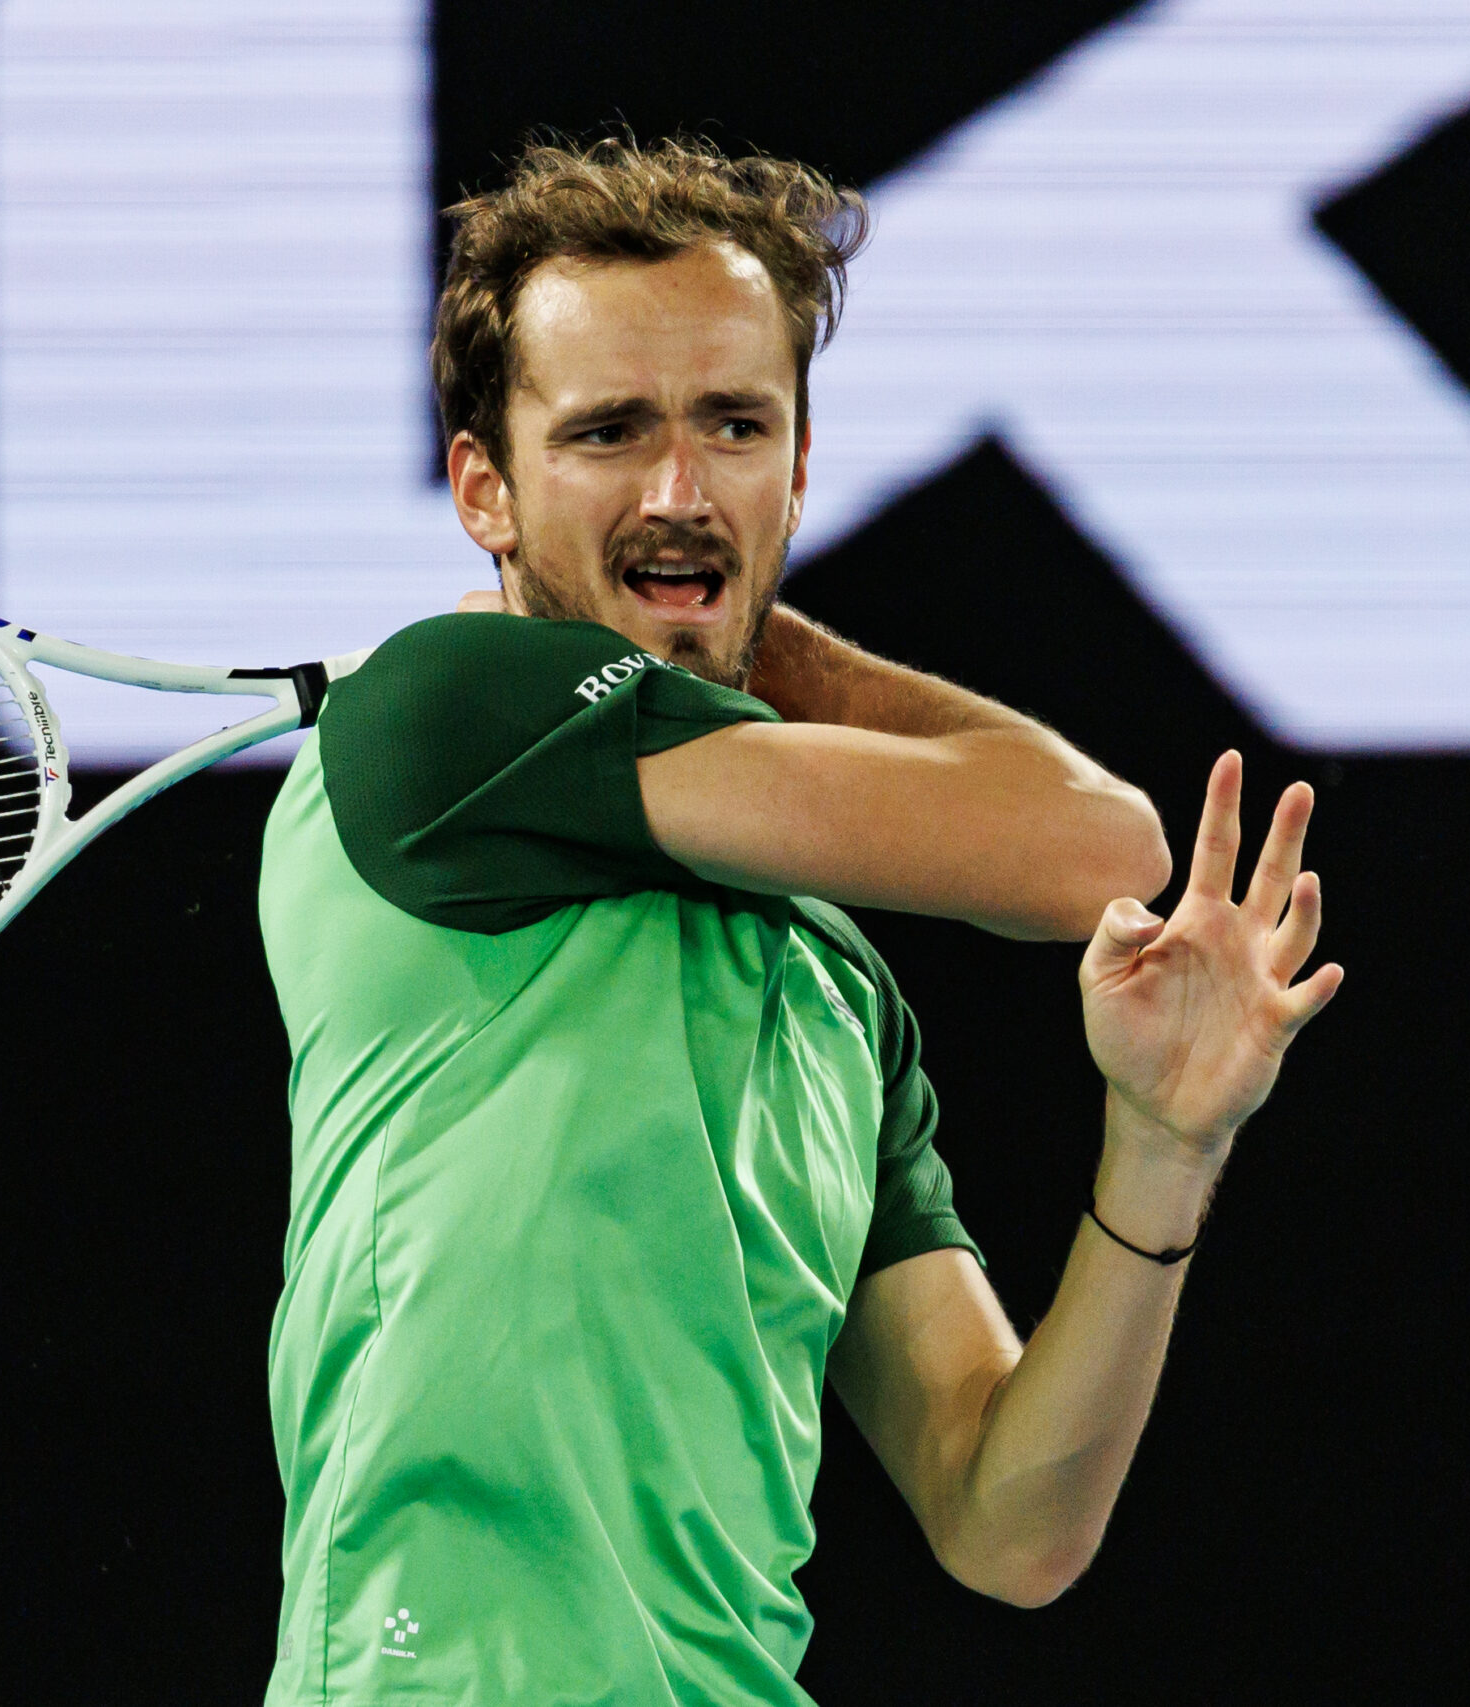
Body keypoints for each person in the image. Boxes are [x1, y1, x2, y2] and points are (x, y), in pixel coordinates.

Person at [256, 136, 1342, 1705]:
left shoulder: (831, 988)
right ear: (483, 489)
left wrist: (1163, 1145)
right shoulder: (443, 713)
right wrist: (750, 628)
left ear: (801, 471)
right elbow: (1090, 845)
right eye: (611, 433)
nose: (681, 491)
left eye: (735, 429)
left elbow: (1006, 1518)